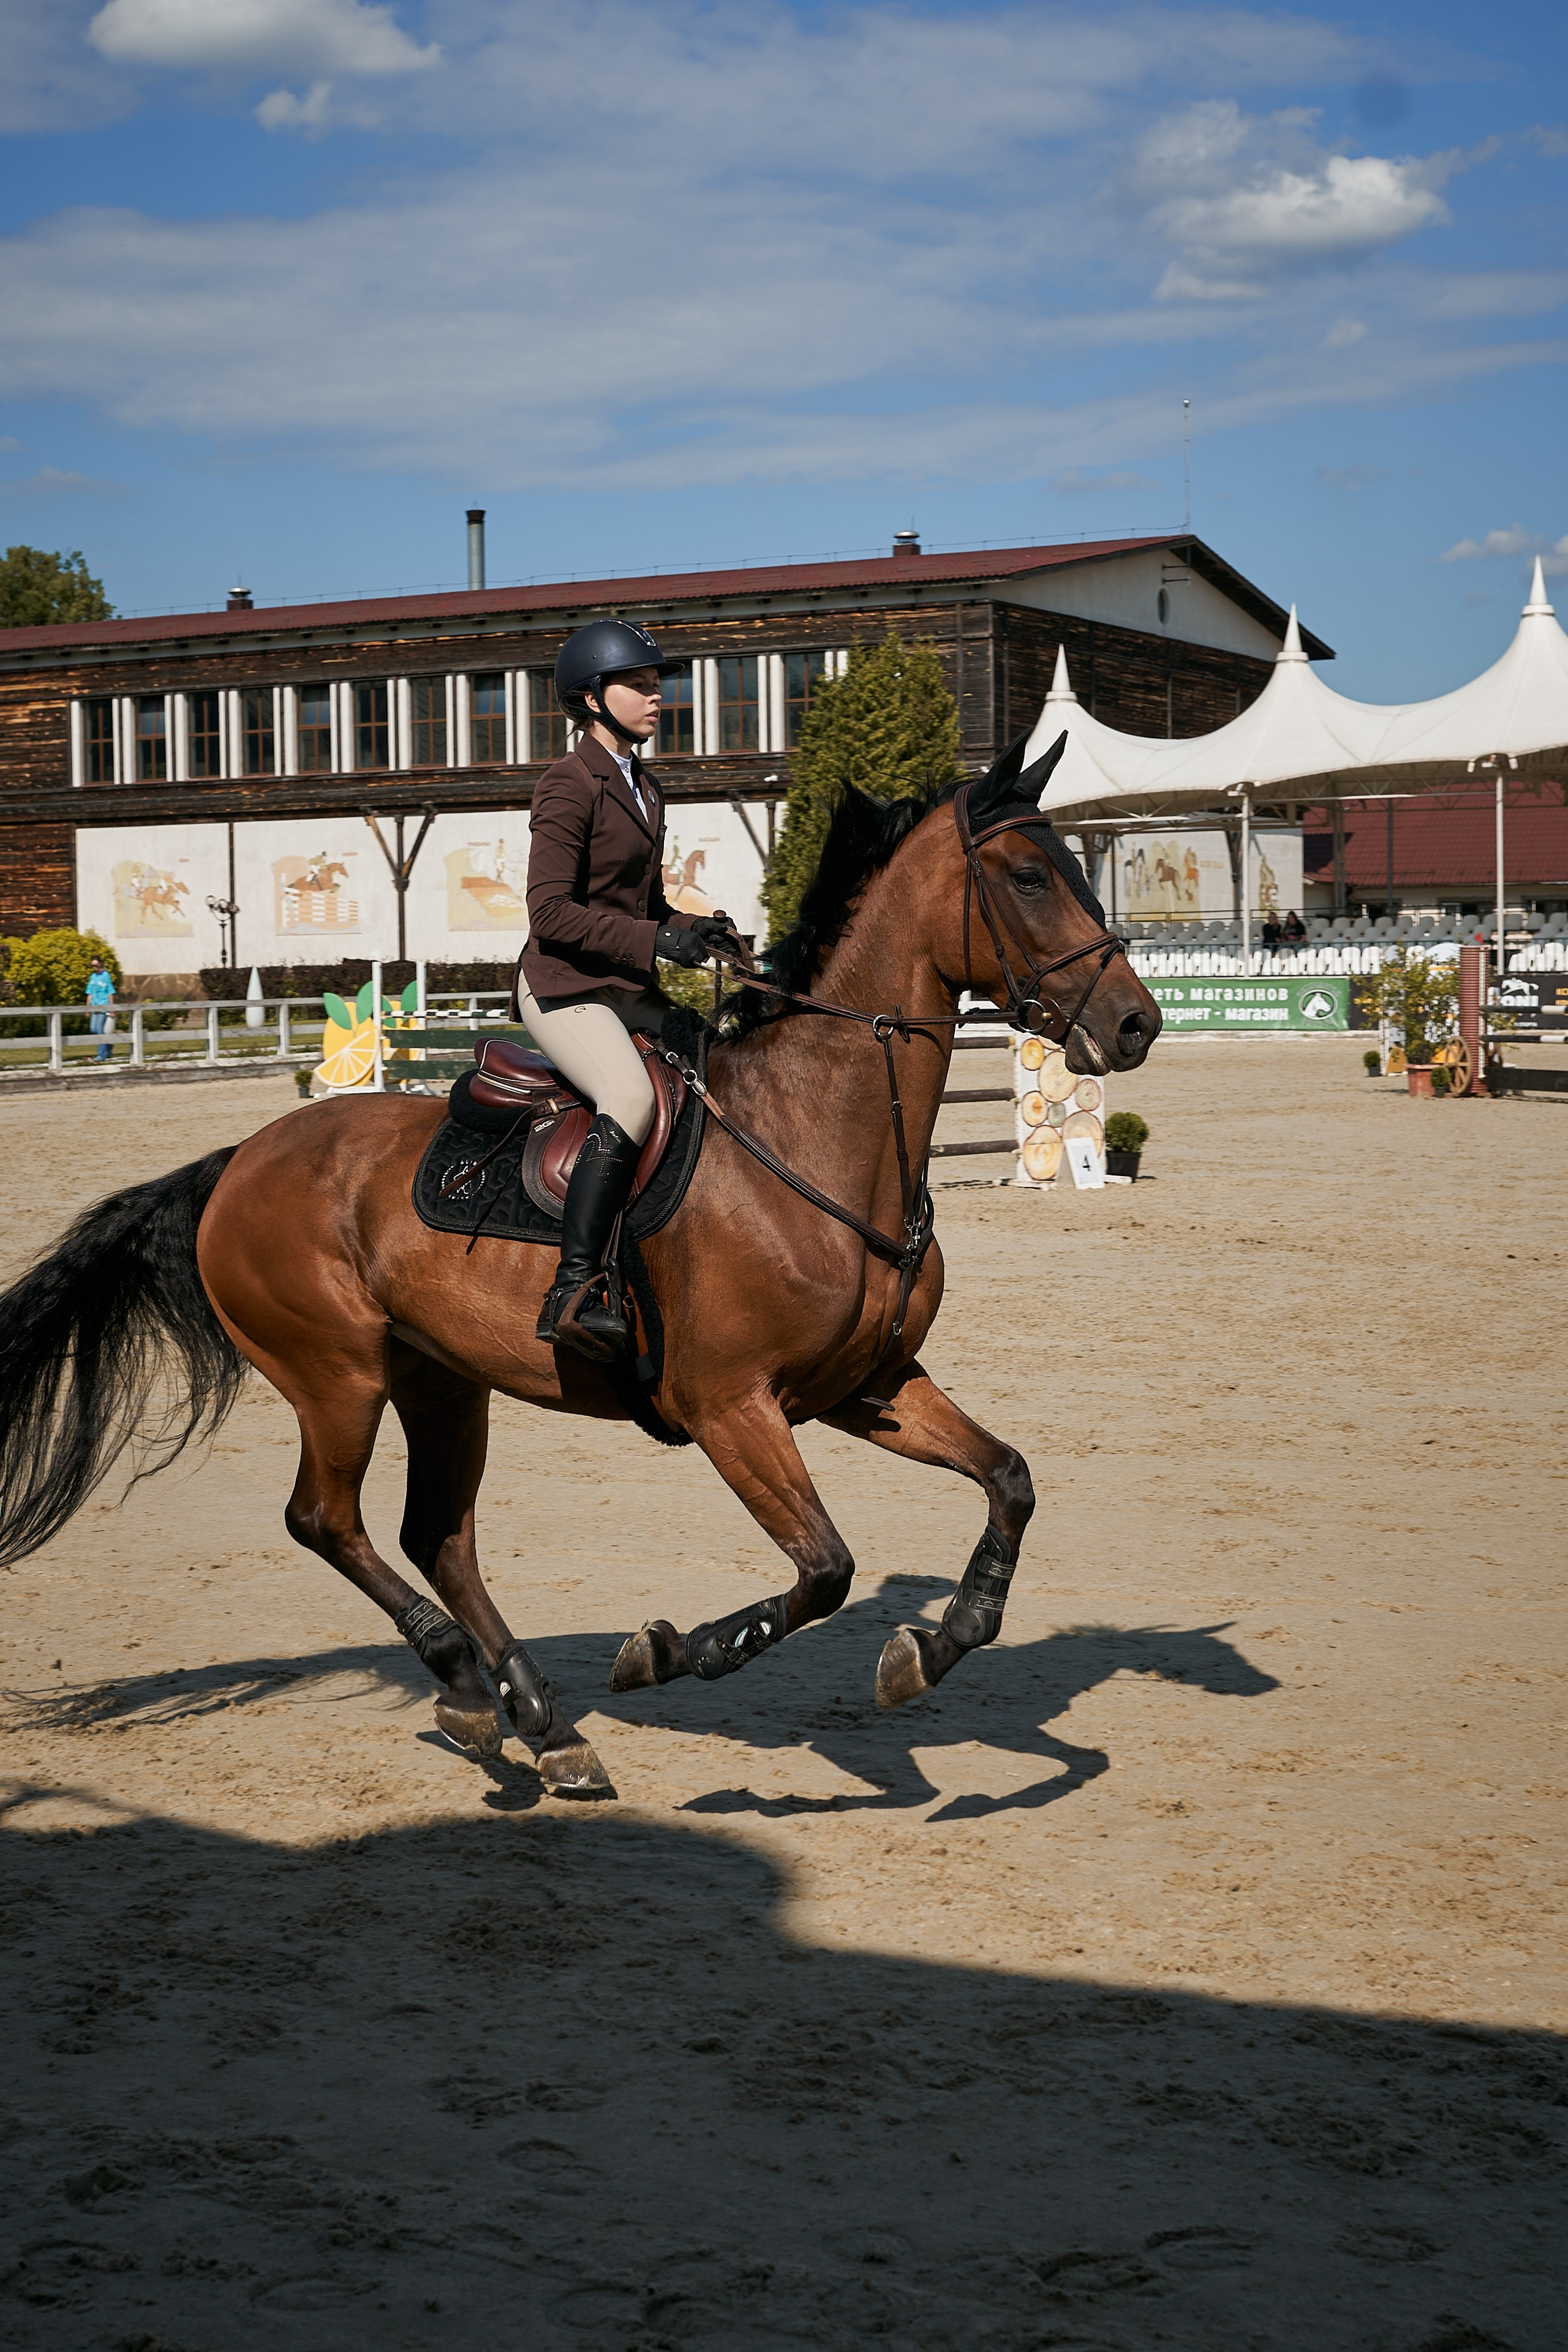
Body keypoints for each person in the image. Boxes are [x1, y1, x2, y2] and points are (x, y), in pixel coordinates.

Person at [518, 619, 735, 1363]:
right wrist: (655, 940)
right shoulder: (567, 784)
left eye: (655, 683)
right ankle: (576, 1287)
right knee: (633, 1098)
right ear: (590, 696)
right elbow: (549, 913)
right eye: (638, 684)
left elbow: (636, 909)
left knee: (722, 1063)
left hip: (620, 980)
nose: (655, 696)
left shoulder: (646, 787)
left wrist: (695, 930)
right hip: (562, 986)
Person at [84, 954, 115, 1061]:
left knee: (99, 1030)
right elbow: (90, 993)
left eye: (96, 965)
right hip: (94, 1007)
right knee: (93, 1029)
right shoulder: (93, 977)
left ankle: (102, 1055)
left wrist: (111, 1009)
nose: (95, 968)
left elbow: (110, 993)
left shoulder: (106, 975)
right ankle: (108, 1045)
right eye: (93, 966)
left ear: (100, 964)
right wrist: (87, 1008)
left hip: (103, 1006)